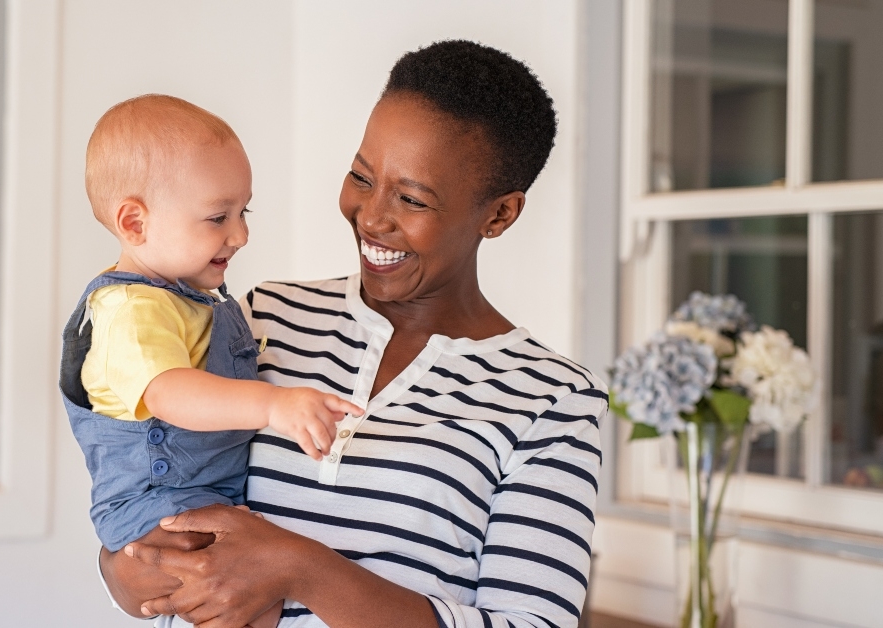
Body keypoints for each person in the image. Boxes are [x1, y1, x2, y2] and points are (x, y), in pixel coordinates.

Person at [98, 40, 607, 628]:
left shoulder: (552, 399)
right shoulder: (256, 319)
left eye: (412, 198)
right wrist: (124, 570)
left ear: (499, 214)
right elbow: (143, 487)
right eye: (361, 177)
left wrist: (300, 568)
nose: (371, 216)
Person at [59, 95, 363, 628]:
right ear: (135, 222)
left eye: (244, 211)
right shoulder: (132, 310)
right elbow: (172, 394)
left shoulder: (189, 299)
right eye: (218, 217)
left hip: (201, 494)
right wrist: (274, 405)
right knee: (241, 592)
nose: (241, 234)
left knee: (250, 593)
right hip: (159, 503)